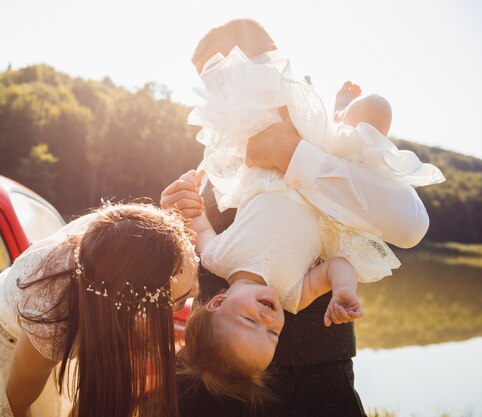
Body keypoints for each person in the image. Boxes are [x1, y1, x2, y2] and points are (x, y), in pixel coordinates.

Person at [161, 18, 442, 416]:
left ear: (269, 67)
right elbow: (179, 276)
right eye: (211, 85)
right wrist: (168, 224)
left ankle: (343, 111)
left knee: (373, 113)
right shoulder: (217, 163)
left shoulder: (319, 145)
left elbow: (412, 225)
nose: (218, 96)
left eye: (225, 77)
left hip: (316, 384)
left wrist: (293, 153)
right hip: (207, 380)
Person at [0, 203, 200, 417]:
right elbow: (12, 402)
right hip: (7, 353)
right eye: (179, 299)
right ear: (131, 297)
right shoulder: (51, 311)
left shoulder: (125, 245)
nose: (196, 293)